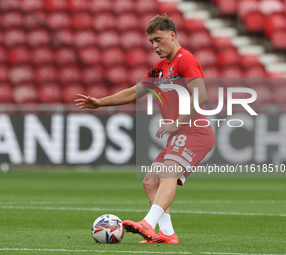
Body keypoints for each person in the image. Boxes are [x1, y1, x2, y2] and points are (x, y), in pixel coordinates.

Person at [75, 14, 215, 244]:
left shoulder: (185, 59)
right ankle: (167, 234)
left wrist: (177, 122)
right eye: (151, 42)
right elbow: (133, 93)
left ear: (172, 35)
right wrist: (100, 102)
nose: (155, 46)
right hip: (179, 133)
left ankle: (148, 223)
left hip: (195, 131)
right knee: (150, 182)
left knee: (167, 172)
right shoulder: (159, 68)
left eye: (158, 40)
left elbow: (201, 95)